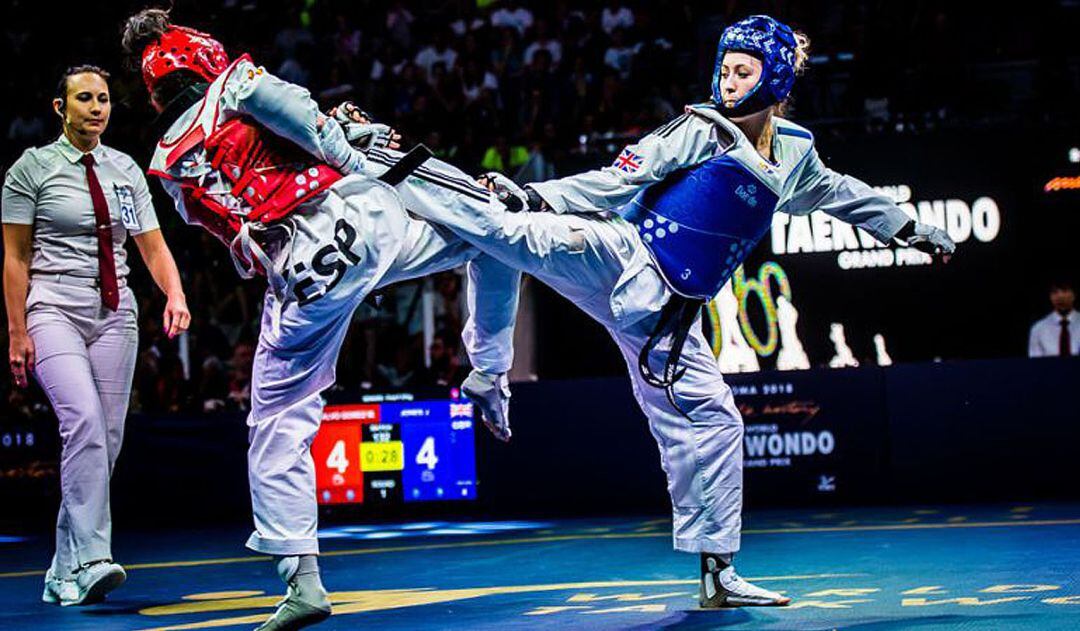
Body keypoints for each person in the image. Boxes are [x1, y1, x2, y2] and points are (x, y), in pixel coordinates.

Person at [401, 15, 956, 609]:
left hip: (666, 318)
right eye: (724, 69)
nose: (730, 81)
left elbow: (844, 194)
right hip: (619, 255)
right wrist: (539, 195)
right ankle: (409, 190)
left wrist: (911, 228)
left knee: (717, 422)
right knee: (507, 229)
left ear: (776, 78)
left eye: (744, 71)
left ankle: (718, 574)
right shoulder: (702, 130)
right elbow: (618, 179)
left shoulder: (796, 153)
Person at [121, 9, 519, 630]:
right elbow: (315, 129)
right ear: (202, 62)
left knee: (277, 422)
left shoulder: (164, 165)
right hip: (363, 220)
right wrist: (352, 144)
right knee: (495, 234)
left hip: (303, 275)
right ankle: (488, 373)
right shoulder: (240, 83)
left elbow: (232, 240)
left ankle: (302, 581)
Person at [2, 65, 189, 606]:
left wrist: (174, 294)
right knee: (81, 421)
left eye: (103, 99)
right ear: (59, 107)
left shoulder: (124, 169)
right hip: (53, 306)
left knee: (104, 443)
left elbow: (152, 246)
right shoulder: (31, 168)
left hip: (115, 312)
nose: (96, 107)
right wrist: (16, 332)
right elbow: (14, 258)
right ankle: (91, 560)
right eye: (84, 98)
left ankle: (62, 570)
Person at [1028, 280, 1078, 357]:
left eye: (1065, 291)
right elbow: (1035, 365)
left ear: (1074, 295)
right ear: (1050, 297)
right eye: (1055, 292)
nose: (1060, 296)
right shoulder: (1038, 329)